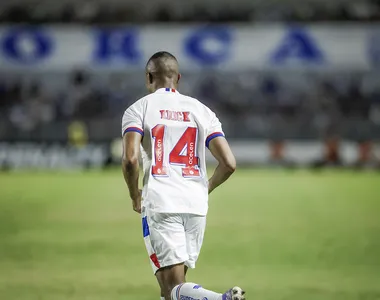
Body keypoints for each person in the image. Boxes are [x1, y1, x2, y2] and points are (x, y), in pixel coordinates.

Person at [121, 51, 245, 300]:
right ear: (178, 77)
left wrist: (135, 195)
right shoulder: (202, 111)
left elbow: (131, 159)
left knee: (173, 288)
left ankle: (221, 299)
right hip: (196, 205)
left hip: (161, 202)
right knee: (172, 291)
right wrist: (205, 187)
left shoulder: (139, 109)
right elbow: (229, 163)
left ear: (148, 77)